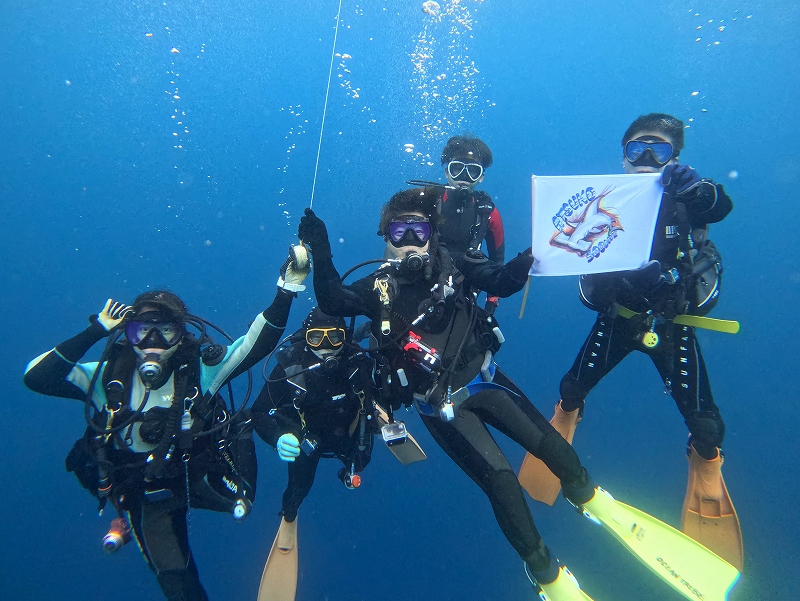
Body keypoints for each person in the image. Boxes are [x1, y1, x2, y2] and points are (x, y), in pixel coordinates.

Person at [293, 190, 741, 600]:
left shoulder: (455, 263)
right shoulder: (376, 288)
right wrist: (321, 246)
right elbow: (333, 299)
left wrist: (534, 254)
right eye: (399, 232)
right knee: (503, 483)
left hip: (486, 381)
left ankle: (589, 498)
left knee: (551, 447)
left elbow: (503, 279)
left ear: (432, 235)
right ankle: (548, 576)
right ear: (385, 239)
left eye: (419, 230)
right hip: (441, 408)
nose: (410, 241)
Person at [518, 113, 743, 570]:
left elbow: (721, 205)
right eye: (636, 149)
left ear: (675, 158)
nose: (645, 158)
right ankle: (566, 416)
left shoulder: (685, 196)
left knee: (706, 426)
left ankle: (707, 465)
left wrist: (695, 187)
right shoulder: (604, 198)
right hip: (619, 317)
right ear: (622, 157)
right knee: (571, 387)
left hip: (672, 323)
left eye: (657, 150)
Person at [23, 248, 309, 601]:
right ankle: (124, 523)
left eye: (165, 333)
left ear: (181, 336)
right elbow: (36, 377)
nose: (153, 344)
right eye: (142, 332)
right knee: (179, 588)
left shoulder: (198, 372)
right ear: (126, 333)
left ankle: (242, 497)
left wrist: (287, 288)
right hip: (147, 493)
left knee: (240, 504)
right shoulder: (105, 377)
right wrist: (94, 332)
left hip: (196, 473)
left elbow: (255, 343)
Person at [251, 308, 375, 595]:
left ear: (344, 337)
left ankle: (349, 472)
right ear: (306, 339)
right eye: (316, 338)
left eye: (334, 338)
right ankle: (289, 515)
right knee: (298, 488)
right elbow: (257, 412)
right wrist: (277, 436)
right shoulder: (289, 365)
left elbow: (380, 392)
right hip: (307, 439)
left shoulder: (357, 360)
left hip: (347, 432)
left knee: (361, 461)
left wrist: (383, 415)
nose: (325, 347)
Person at [436, 135, 505, 312]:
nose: (464, 176)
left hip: (466, 287)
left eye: (472, 171)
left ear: (481, 177)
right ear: (446, 172)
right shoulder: (429, 203)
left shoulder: (488, 212)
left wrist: (491, 301)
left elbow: (497, 260)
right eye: (457, 169)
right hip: (425, 275)